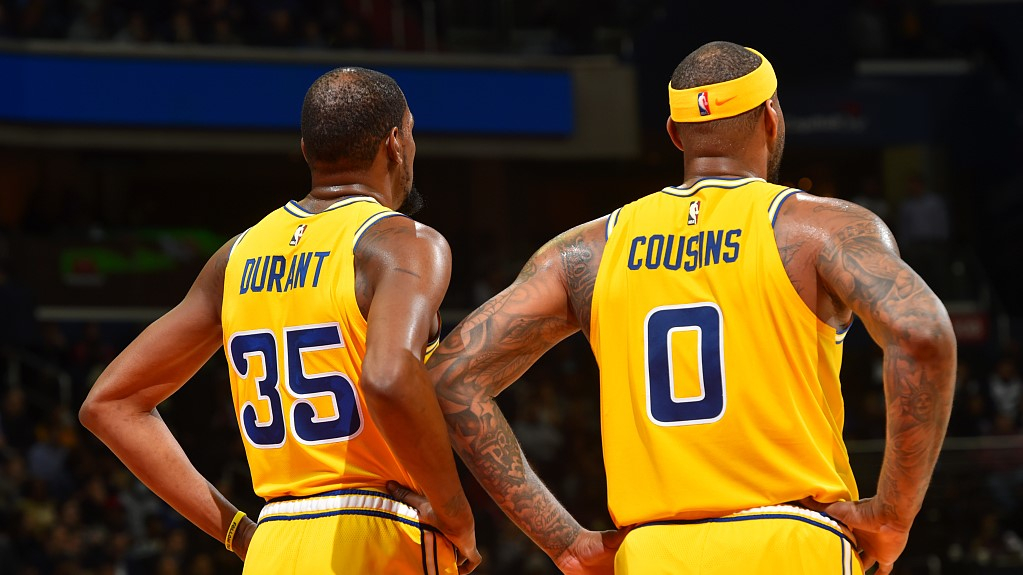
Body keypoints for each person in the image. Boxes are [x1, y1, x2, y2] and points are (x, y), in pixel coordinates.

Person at [399, 42, 956, 575]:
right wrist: (892, 514)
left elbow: (450, 377)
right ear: (772, 118)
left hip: (651, 552)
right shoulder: (821, 228)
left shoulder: (587, 250)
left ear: (674, 133)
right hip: (791, 539)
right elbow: (922, 333)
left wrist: (564, 542)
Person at [79, 67, 481, 575]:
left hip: (274, 543)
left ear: (306, 149)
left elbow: (110, 403)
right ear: (396, 143)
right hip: (380, 535)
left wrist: (237, 531)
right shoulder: (405, 243)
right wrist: (455, 513)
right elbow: (388, 376)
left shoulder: (237, 255)